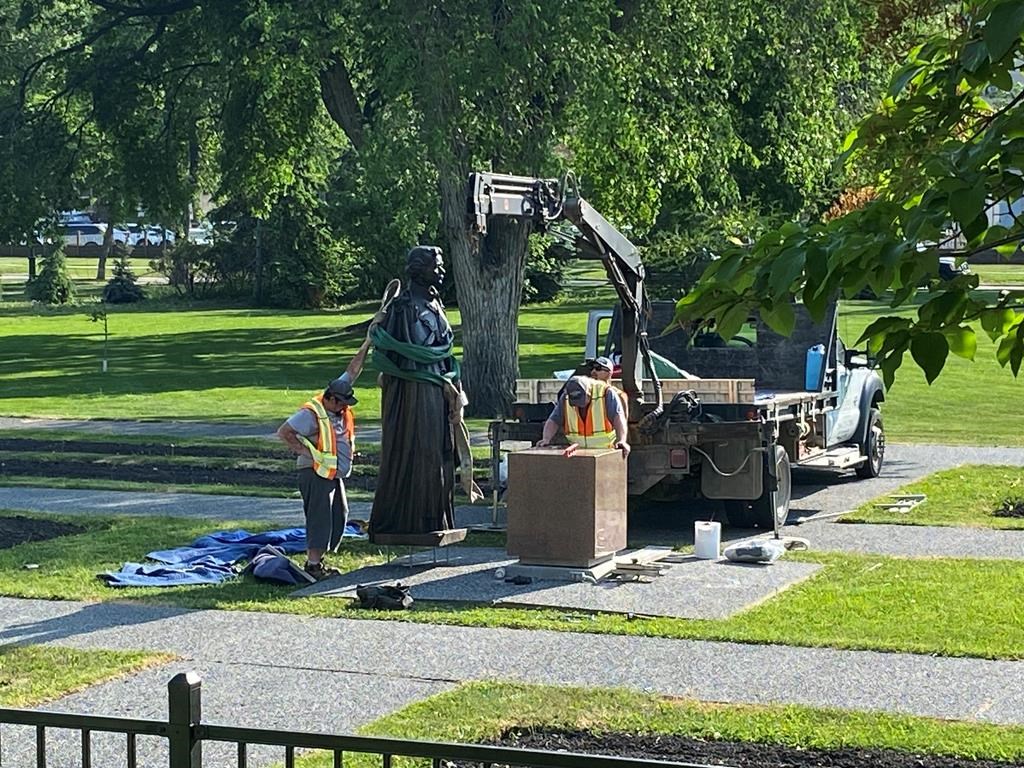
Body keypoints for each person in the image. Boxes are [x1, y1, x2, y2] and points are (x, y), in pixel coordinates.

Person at [369, 245, 472, 538]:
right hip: (415, 392)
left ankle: (436, 518)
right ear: (417, 269)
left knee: (442, 452)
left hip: (439, 388)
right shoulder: (403, 307)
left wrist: (454, 387)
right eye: (435, 266)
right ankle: (414, 520)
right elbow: (399, 353)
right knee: (422, 451)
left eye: (440, 265)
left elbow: (444, 352)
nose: (441, 271)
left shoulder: (435, 304)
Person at [276, 338, 371, 580]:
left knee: (340, 514)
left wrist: (368, 341)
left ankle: (319, 561)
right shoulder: (311, 414)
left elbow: (353, 370)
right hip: (314, 473)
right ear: (331, 398)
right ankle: (313, 565)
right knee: (320, 518)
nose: (344, 408)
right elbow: (284, 432)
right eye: (342, 404)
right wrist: (305, 452)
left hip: (332, 474)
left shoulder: (339, 397)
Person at [536, 374, 630, 457]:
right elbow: (554, 420)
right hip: (578, 454)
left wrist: (621, 440)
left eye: (581, 401)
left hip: (605, 452)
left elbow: (618, 417)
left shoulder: (606, 393)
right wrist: (546, 439)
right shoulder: (566, 397)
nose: (579, 406)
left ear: (589, 392)